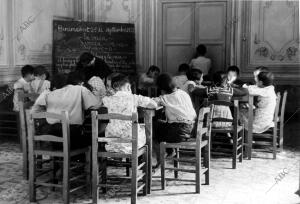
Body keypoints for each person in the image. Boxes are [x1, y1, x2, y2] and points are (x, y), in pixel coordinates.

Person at [31, 73, 101, 149]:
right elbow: (96, 105)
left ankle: (61, 158)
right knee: (92, 138)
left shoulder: (50, 94)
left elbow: (38, 111)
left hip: (52, 134)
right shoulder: (79, 89)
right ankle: (80, 158)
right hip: (72, 135)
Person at [102, 73, 157, 154]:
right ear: (127, 86)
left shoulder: (106, 99)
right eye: (129, 87)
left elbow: (99, 105)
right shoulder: (134, 98)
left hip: (112, 144)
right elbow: (154, 105)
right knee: (145, 130)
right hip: (132, 144)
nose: (130, 89)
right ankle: (141, 161)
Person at [153, 73, 196, 167]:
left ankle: (161, 159)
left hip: (177, 131)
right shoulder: (183, 93)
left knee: (151, 130)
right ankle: (170, 150)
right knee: (160, 124)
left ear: (162, 89)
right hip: (190, 128)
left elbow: (151, 102)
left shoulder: (165, 98)